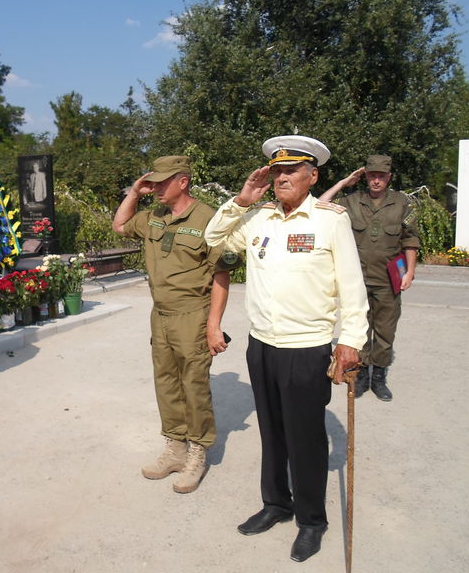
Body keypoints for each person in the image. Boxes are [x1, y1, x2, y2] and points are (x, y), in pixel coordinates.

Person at [204, 135, 368, 563]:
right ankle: (277, 503)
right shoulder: (258, 219)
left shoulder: (331, 220)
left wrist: (351, 340)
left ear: (312, 176)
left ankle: (312, 520)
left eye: (290, 171)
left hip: (306, 347)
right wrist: (240, 200)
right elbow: (213, 239)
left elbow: (352, 287)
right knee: (272, 431)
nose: (281, 178)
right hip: (262, 344)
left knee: (306, 438)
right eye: (276, 171)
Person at [113, 155, 238, 494]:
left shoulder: (207, 218)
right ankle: (175, 448)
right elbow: (120, 226)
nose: (156, 188)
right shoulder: (154, 215)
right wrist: (135, 193)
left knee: (194, 384)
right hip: (161, 315)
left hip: (192, 314)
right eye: (153, 181)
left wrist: (214, 326)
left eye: (162, 182)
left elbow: (221, 275)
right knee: (166, 382)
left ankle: (197, 452)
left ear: (183, 182)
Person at [319, 154, 419, 401]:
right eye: (372, 176)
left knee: (385, 332)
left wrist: (410, 272)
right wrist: (343, 182)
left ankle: (379, 377)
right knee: (360, 331)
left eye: (381, 176)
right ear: (365, 177)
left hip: (388, 280)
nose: (376, 181)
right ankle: (362, 374)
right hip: (357, 281)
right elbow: (320, 206)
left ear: (389, 177)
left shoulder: (401, 204)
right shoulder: (351, 202)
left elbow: (410, 240)